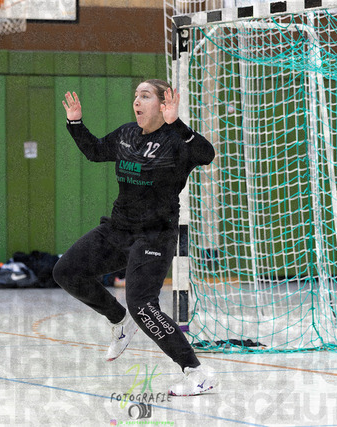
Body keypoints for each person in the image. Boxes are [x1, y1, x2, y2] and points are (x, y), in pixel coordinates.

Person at [53, 79, 217, 396]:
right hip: (119, 228)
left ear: (163, 104)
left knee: (142, 304)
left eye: (145, 96)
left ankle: (196, 372)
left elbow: (206, 154)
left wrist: (177, 124)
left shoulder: (176, 140)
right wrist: (75, 123)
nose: (137, 102)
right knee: (66, 271)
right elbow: (95, 151)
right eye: (136, 96)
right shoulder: (127, 134)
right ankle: (119, 320)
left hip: (155, 235)